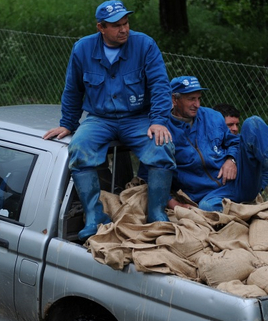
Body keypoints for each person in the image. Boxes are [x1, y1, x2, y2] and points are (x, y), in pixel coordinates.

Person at [42, 1, 176, 241]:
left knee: (162, 147)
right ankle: (95, 217)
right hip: (100, 119)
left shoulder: (144, 44)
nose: (124, 29)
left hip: (137, 118)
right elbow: (73, 89)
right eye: (116, 26)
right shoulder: (82, 49)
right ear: (101, 27)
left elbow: (160, 85)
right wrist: (68, 123)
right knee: (79, 148)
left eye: (126, 23)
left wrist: (158, 121)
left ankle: (156, 212)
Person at [163, 76, 268, 212]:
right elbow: (151, 174)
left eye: (199, 98)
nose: (197, 104)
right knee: (206, 208)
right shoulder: (163, 129)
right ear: (175, 99)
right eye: (191, 99)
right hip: (209, 196)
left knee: (253, 123)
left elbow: (235, 142)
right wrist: (174, 204)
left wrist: (231, 159)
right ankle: (248, 210)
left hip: (239, 181)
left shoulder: (212, 116)